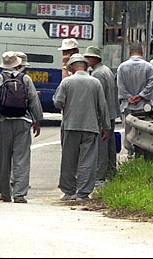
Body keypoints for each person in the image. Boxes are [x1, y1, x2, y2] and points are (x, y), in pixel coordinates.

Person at [0, 51, 43, 204]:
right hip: (23, 123)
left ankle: (5, 193)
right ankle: (20, 194)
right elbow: (33, 100)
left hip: (3, 122)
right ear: (17, 64)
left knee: (3, 159)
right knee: (22, 158)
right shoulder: (26, 79)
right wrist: (37, 120)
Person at [53, 53, 111, 201]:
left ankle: (69, 191)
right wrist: (105, 127)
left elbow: (58, 102)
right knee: (88, 160)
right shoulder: (95, 82)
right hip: (91, 126)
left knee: (69, 159)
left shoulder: (67, 82)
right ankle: (83, 193)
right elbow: (102, 107)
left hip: (70, 126)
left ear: (72, 67)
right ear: (86, 66)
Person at [84, 46, 121, 186]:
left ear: (94, 59)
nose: (86, 60)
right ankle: (111, 173)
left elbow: (98, 98)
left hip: (103, 115)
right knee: (110, 146)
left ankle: (100, 176)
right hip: (111, 113)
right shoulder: (106, 71)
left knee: (101, 147)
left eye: (88, 57)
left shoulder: (97, 74)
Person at [117, 42, 153, 158]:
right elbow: (151, 84)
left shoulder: (122, 67)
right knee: (144, 131)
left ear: (130, 52)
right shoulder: (148, 67)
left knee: (129, 131)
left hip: (128, 105)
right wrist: (141, 96)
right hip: (143, 106)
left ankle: (130, 153)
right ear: (142, 52)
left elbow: (120, 85)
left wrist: (128, 97)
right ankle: (143, 154)